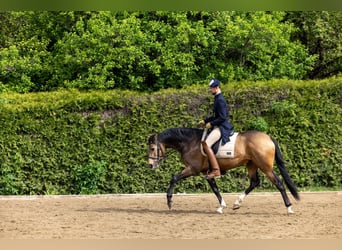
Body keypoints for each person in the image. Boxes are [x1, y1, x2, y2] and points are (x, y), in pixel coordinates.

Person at [199, 78, 234, 179]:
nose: (210, 90)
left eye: (211, 88)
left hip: (221, 127)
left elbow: (223, 117)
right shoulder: (217, 98)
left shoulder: (220, 100)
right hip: (218, 125)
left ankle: (216, 171)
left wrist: (212, 123)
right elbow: (216, 115)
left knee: (206, 145)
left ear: (217, 87)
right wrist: (205, 121)